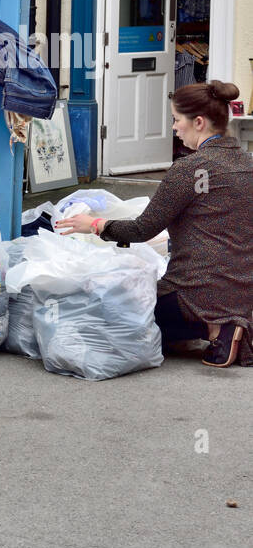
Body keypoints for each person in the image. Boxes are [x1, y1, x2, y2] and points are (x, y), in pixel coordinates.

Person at [55, 80, 253, 368]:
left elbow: (142, 229)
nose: (173, 127)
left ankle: (215, 327)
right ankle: (235, 326)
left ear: (198, 122)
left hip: (194, 295)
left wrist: (95, 224)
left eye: (176, 120)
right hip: (244, 294)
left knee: (109, 312)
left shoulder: (190, 169)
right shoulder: (248, 164)